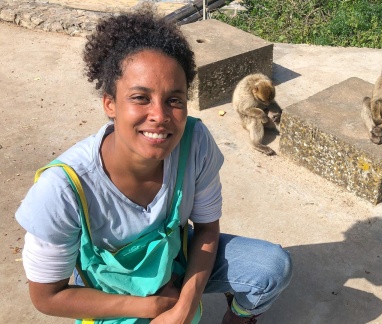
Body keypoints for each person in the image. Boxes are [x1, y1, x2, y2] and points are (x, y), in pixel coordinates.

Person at [15, 6, 292, 324]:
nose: (160, 116)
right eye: (140, 97)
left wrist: (184, 306)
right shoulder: (61, 189)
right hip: (108, 285)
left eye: (174, 99)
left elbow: (205, 229)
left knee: (271, 267)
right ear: (110, 103)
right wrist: (150, 307)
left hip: (177, 259)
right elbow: (48, 297)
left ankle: (239, 318)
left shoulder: (195, 142)